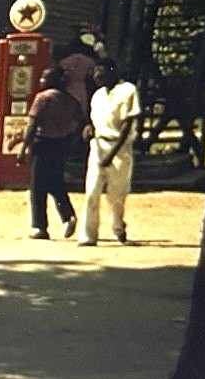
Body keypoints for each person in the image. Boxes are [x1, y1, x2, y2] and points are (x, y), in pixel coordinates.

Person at [80, 58, 140, 246]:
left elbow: (127, 125)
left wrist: (111, 154)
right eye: (95, 72)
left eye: (101, 71)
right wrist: (89, 129)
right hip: (98, 145)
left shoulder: (128, 91)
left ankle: (118, 227)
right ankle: (88, 235)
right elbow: (95, 120)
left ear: (112, 71)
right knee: (92, 190)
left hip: (119, 148)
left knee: (117, 195)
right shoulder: (98, 95)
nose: (96, 76)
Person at [20, 65, 82, 240]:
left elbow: (32, 125)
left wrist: (24, 148)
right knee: (56, 182)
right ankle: (67, 215)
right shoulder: (70, 100)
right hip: (61, 143)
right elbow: (80, 122)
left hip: (42, 143)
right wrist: (71, 140)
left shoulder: (43, 98)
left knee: (37, 186)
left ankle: (39, 226)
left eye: (44, 78)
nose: (41, 80)